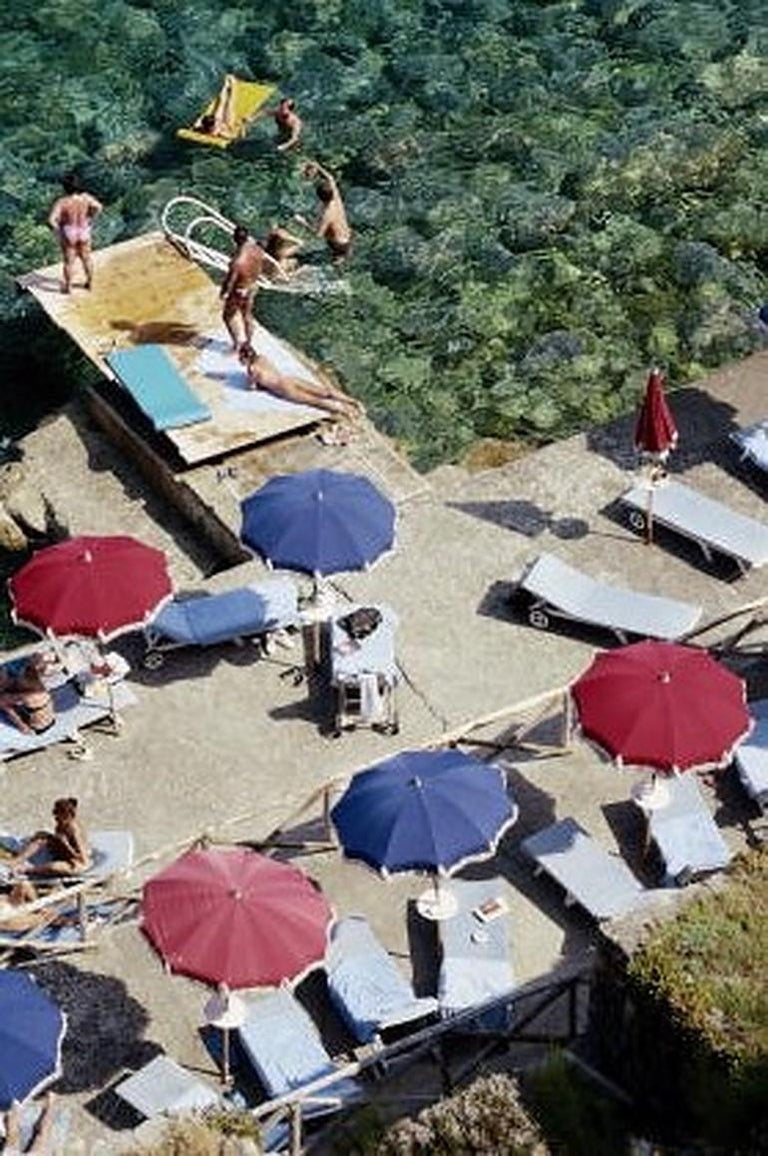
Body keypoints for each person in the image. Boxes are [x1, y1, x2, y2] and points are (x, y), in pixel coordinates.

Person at [238, 343, 364, 420]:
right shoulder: (262, 357)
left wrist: (260, 385)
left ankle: (348, 412)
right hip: (289, 379)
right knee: (325, 392)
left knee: (315, 401)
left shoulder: (252, 369)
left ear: (244, 357)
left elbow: (251, 388)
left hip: (283, 389)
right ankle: (354, 402)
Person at [47, 172, 103, 294]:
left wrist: (59, 232)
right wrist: (90, 217)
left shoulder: (62, 202)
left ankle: (68, 288)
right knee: (86, 259)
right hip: (83, 230)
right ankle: (89, 283)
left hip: (69, 231)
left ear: (64, 187)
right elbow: (99, 207)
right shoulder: (86, 198)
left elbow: (51, 220)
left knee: (68, 262)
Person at [10, 798, 91, 877]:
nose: (55, 817)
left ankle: (27, 870)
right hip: (63, 853)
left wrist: (66, 844)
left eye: (57, 813)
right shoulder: (60, 824)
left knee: (54, 867)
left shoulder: (74, 830)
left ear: (66, 815)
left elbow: (82, 859)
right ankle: (17, 860)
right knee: (41, 838)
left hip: (77, 862)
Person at [220, 225, 269, 351]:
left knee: (227, 317)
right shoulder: (258, 249)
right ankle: (248, 343)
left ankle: (236, 344)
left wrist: (224, 293)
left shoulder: (237, 262)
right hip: (252, 287)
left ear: (234, 240)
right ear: (247, 237)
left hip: (239, 291)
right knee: (247, 316)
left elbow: (230, 282)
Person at [297, 161, 352, 264]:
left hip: (338, 245)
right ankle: (343, 256)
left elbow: (318, 235)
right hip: (347, 238)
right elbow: (330, 178)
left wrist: (303, 223)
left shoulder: (327, 215)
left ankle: (339, 258)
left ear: (319, 197)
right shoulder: (336, 199)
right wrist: (318, 166)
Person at [0, 657, 55, 736]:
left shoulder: (45, 700)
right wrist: (18, 721)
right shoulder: (32, 698)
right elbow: (2, 701)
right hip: (15, 670)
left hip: (21, 669)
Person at [194, 73, 237, 138]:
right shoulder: (219, 133)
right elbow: (233, 136)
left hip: (220, 124)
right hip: (227, 123)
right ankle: (233, 84)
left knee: (221, 102)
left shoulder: (202, 128)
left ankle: (225, 85)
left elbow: (197, 124)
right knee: (229, 103)